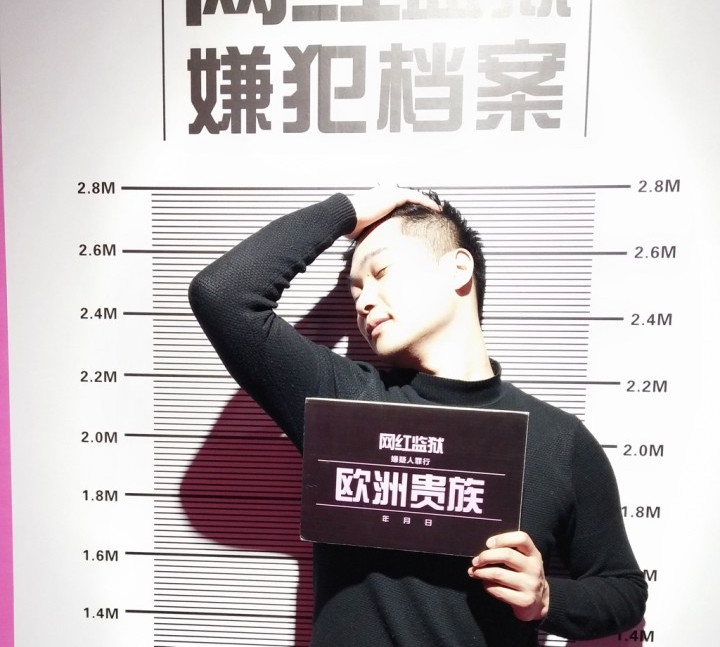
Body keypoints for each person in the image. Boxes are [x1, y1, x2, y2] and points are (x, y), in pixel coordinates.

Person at [188, 185, 647, 647]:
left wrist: (546, 600)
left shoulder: (558, 440)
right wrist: (348, 210)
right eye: (355, 290)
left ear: (458, 269)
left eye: (381, 272)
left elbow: (624, 590)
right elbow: (223, 294)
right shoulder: (345, 402)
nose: (363, 301)